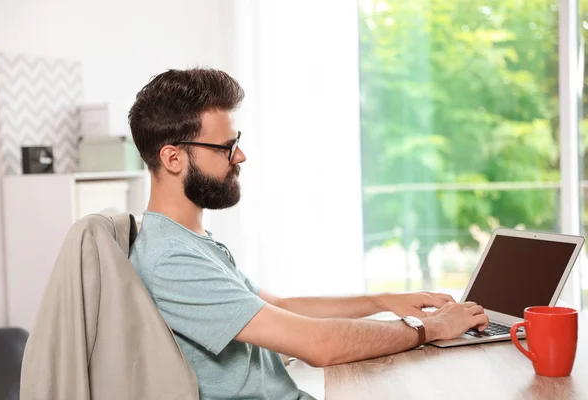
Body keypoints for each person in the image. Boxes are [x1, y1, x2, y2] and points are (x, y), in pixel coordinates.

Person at [128, 68, 489, 400]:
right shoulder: (171, 258)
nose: (240, 157)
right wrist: (427, 328)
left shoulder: (191, 242)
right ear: (173, 159)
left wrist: (382, 301)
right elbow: (318, 345)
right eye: (226, 148)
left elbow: (282, 307)